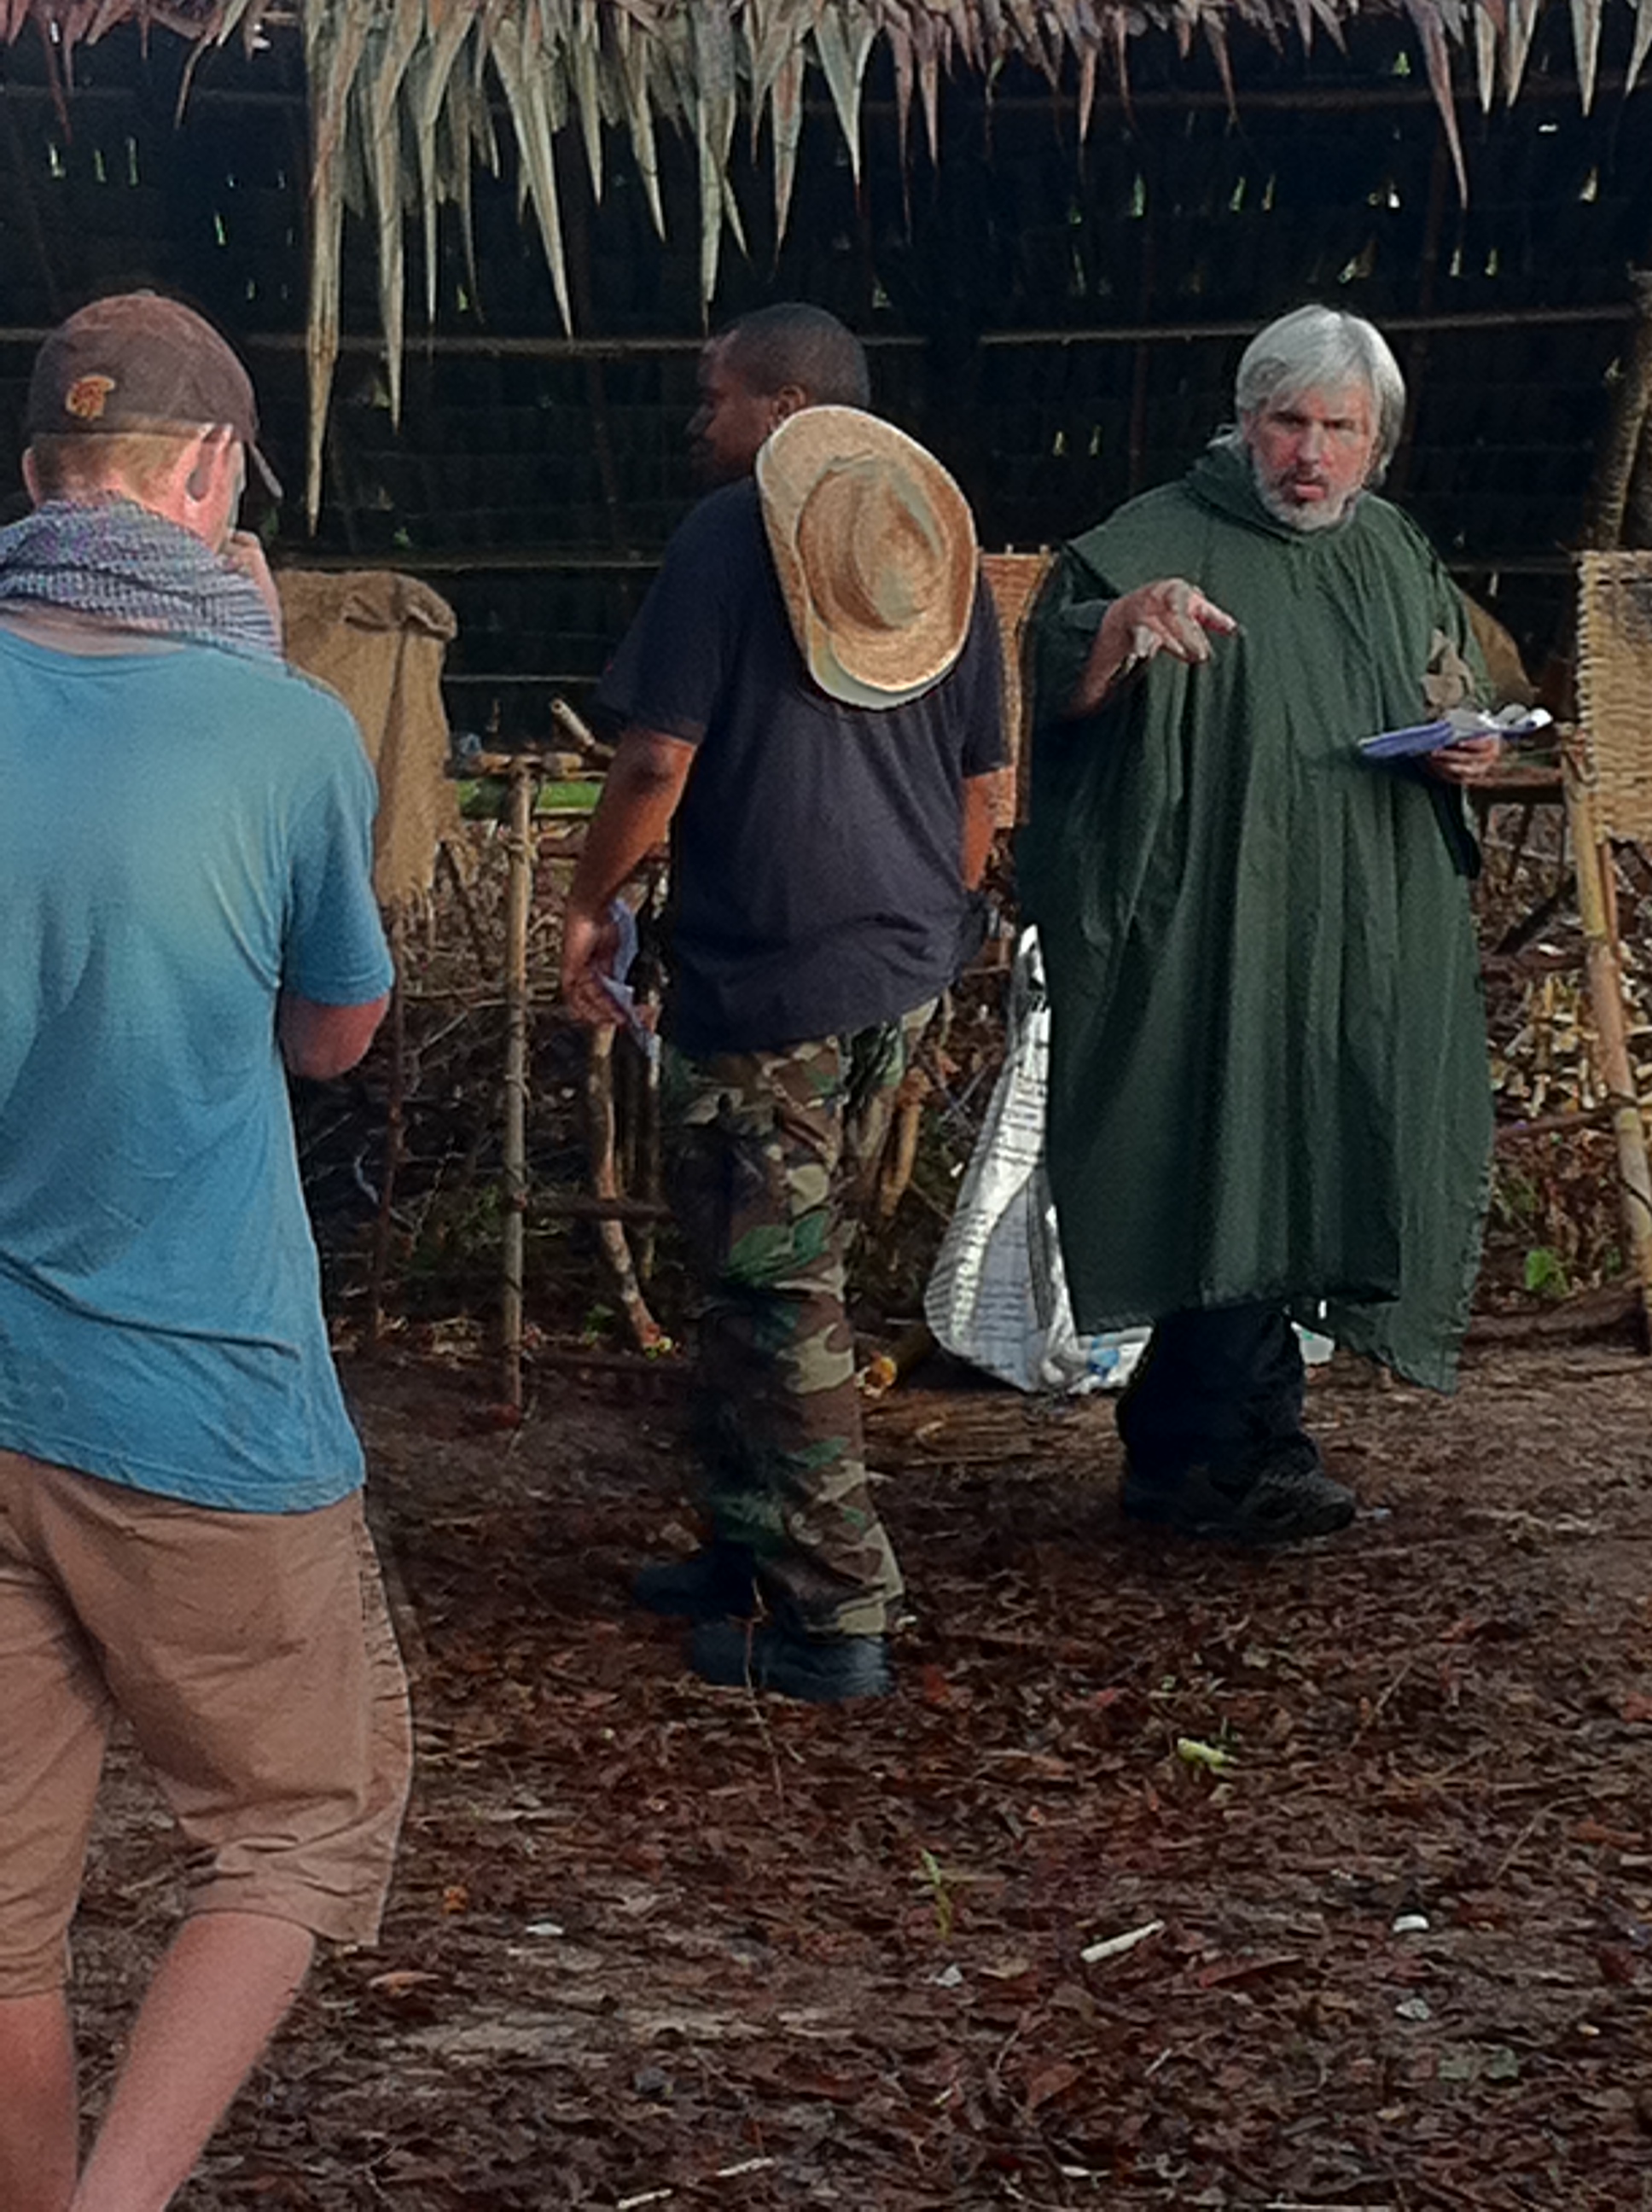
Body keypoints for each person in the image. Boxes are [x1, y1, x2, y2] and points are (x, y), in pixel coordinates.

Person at [0, 292, 411, 2212]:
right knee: (310, 1822)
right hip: (190, 1378)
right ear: (213, 475)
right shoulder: (283, 729)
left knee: (2, 1896)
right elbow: (333, 1029)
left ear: (32, 481)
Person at [561, 303, 1006, 1702]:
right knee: (750, 1250)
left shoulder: (726, 536)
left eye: (717, 398)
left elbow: (654, 762)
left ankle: (837, 1613)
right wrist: (935, 920)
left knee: (776, 1287)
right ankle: (743, 1537)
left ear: (785, 409)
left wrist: (592, 903)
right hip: (898, 963)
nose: (701, 423)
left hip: (776, 968)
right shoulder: (936, 547)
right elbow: (983, 786)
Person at [1022, 304, 1502, 1545]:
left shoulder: (1391, 550)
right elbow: (1046, 694)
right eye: (1288, 422)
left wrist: (1469, 742)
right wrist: (1120, 637)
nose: (1310, 453)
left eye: (1339, 429)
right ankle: (1198, 1453)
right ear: (1243, 423)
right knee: (1221, 1158)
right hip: (1211, 931)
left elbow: (1453, 677)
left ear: (1376, 441)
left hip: (1354, 926)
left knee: (1306, 1159)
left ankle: (1251, 1439)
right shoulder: (1145, 544)